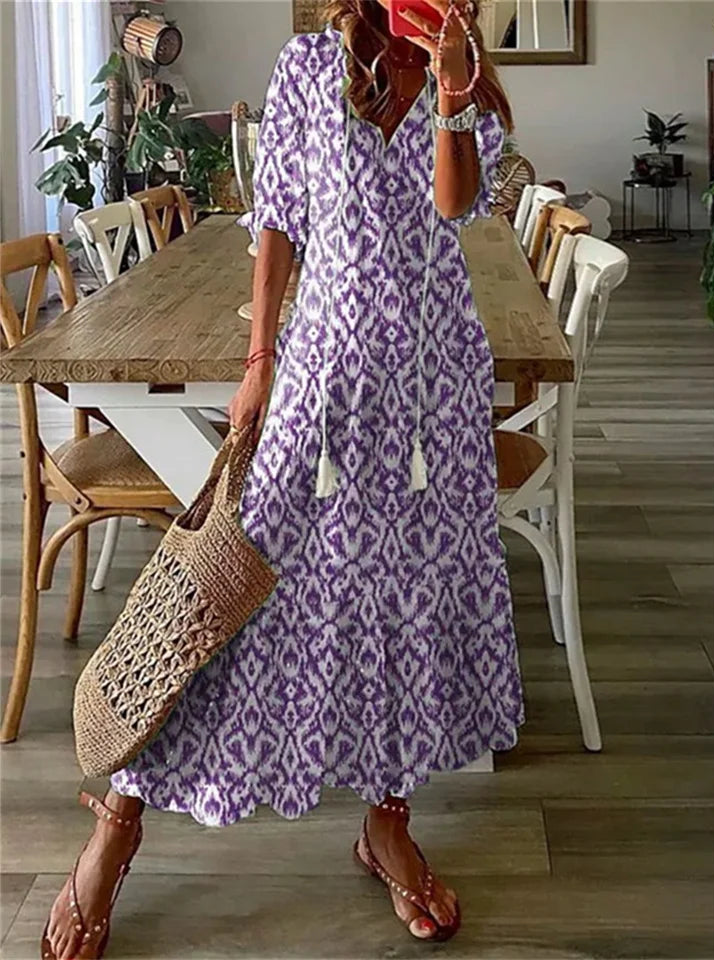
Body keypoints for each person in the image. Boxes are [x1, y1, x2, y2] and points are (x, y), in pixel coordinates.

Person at [43, 1, 523, 955]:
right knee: (230, 591)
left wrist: (452, 88)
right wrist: (260, 358)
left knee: (405, 601)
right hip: (323, 375)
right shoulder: (309, 66)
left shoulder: (463, 72)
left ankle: (387, 820)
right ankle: (120, 817)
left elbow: (452, 203)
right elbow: (278, 226)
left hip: (433, 388)